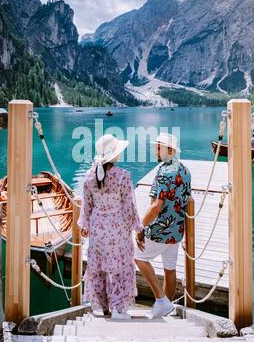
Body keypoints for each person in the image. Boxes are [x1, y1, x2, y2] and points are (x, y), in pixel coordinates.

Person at [78, 134, 143, 320]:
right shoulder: (123, 176)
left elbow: (87, 206)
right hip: (117, 229)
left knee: (99, 267)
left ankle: (105, 309)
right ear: (114, 155)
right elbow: (129, 206)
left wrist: (85, 226)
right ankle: (118, 309)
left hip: (98, 228)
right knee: (119, 267)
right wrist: (138, 229)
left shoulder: (89, 176)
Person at [135, 133, 191, 318]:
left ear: (170, 150)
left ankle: (161, 300)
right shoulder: (184, 169)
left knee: (138, 256)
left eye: (159, 146)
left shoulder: (164, 172)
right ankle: (165, 309)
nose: (155, 149)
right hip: (177, 229)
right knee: (170, 268)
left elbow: (156, 206)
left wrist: (140, 227)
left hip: (161, 229)